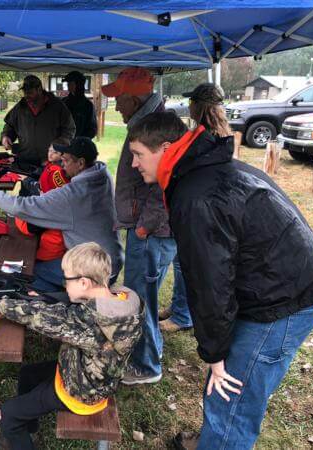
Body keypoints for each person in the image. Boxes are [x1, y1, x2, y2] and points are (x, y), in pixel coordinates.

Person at [127, 111, 313, 450]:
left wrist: (215, 354)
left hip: (283, 299)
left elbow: (210, 284)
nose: (133, 163)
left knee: (232, 396)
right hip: (279, 280)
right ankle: (216, 438)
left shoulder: (196, 196)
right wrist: (218, 351)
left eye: (137, 154)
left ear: (165, 148)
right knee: (226, 384)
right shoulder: (201, 170)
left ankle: (222, 440)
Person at [0, 242, 143, 450]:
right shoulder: (123, 301)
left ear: (84, 282)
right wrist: (40, 301)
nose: (64, 285)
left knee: (6, 414)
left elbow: (46, 319)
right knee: (29, 374)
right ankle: (29, 429)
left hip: (79, 392)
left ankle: (18, 433)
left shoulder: (88, 321)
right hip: (94, 377)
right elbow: (69, 313)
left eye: (66, 280)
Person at [101, 66, 182, 385]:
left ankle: (146, 366)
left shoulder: (155, 129)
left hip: (150, 232)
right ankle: (152, 350)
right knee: (144, 294)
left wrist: (143, 228)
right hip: (148, 230)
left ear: (134, 99)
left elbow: (163, 188)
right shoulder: (147, 123)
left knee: (138, 298)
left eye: (119, 99)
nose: (115, 106)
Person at [0, 137, 123, 292]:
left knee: (27, 273)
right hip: (110, 259)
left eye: (65, 161)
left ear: (81, 163)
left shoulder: (73, 195)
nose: (62, 165)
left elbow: (22, 207)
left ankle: (64, 300)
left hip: (95, 271)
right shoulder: (102, 173)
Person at [159, 83, 233, 333]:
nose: (189, 106)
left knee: (185, 263)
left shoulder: (205, 138)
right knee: (182, 261)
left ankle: (183, 315)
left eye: (192, 102)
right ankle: (179, 307)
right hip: (199, 204)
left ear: (199, 106)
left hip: (199, 207)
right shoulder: (217, 134)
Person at [1, 75, 76, 168]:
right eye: (25, 92)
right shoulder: (21, 107)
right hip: (25, 159)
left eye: (30, 92)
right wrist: (6, 136)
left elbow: (70, 129)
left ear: (39, 90)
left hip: (50, 161)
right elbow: (10, 125)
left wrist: (60, 143)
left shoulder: (57, 106)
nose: (26, 96)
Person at [15, 138, 70, 263]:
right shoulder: (52, 166)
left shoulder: (59, 173)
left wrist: (28, 181)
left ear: (63, 156)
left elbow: (42, 191)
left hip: (50, 248)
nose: (50, 154)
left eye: (55, 152)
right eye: (49, 150)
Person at [62, 71, 97, 139]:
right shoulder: (64, 102)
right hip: (64, 142)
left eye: (70, 83)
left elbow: (92, 129)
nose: (68, 85)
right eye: (68, 83)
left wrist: (80, 140)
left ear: (78, 85)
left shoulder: (87, 105)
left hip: (80, 143)